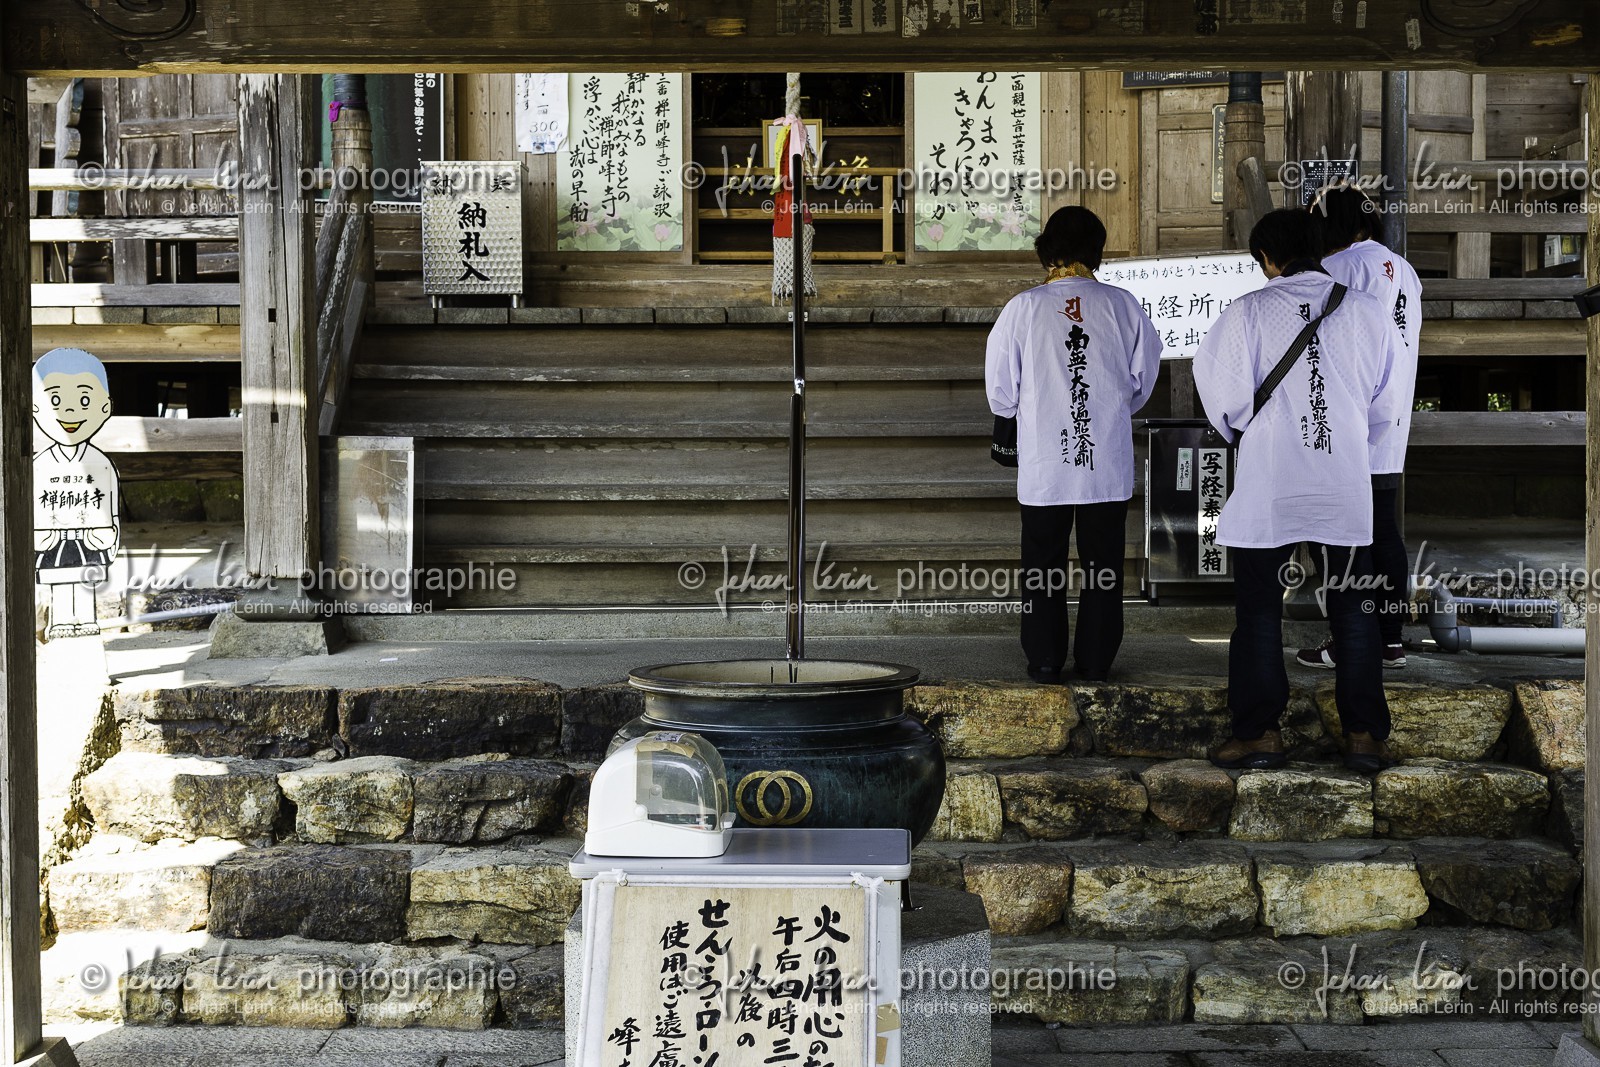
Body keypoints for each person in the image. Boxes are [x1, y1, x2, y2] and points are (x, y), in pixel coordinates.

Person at [1194, 210, 1407, 773]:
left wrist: (1255, 432)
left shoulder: (1246, 313)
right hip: (1344, 483)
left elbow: (1222, 400)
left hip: (1270, 482)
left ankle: (1260, 734)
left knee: (1260, 612)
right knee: (1356, 610)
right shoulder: (1367, 313)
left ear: (1266, 259)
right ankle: (1363, 737)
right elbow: (1385, 410)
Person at [985, 206, 1162, 683]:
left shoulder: (1023, 307)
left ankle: (1044, 657)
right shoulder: (1122, 304)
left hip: (1045, 461)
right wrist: (1112, 409)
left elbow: (1001, 387)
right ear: (1096, 250)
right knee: (1102, 561)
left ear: (1048, 250)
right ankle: (1096, 659)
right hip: (1104, 456)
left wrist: (1020, 414)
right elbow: (1142, 380)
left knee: (1043, 560)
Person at [1296, 183, 1422, 671]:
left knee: (1345, 537)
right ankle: (1390, 639)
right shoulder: (1405, 271)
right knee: (1383, 529)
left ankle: (1349, 641)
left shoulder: (1336, 268)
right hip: (1393, 415)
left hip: (1346, 417)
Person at [32, 347, 120, 640]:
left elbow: (111, 511)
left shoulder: (101, 464)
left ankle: (84, 620)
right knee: (61, 582)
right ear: (34, 406)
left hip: (88, 542)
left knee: (84, 584)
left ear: (105, 408)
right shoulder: (40, 465)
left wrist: (107, 535)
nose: (69, 411)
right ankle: (61, 622)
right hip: (53, 543)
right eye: (54, 399)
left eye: (84, 400)